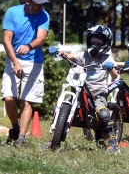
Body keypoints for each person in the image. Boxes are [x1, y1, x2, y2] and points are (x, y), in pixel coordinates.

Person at [46, 25, 120, 153]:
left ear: (105, 44)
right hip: (80, 88)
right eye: (92, 42)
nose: (94, 45)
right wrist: (60, 53)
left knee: (102, 112)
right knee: (62, 108)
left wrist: (111, 68)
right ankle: (55, 140)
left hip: (98, 92)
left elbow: (115, 76)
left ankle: (113, 142)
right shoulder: (84, 55)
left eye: (98, 43)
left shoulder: (106, 58)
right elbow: (71, 56)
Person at [1, 0, 50, 147]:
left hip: (34, 62)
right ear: (27, 1)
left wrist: (29, 46)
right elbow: (6, 40)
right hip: (13, 60)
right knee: (9, 98)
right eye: (37, 3)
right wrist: (15, 62)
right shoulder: (12, 12)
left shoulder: (44, 16)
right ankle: (15, 128)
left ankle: (21, 138)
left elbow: (41, 39)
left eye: (42, 3)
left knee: (27, 101)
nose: (40, 6)